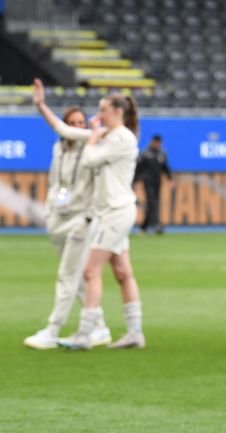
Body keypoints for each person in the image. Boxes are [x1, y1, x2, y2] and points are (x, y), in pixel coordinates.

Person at [23, 79, 112, 350]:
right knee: (76, 276)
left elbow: (60, 128)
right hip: (58, 218)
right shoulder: (58, 149)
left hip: (80, 220)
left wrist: (41, 106)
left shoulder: (92, 146)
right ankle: (99, 326)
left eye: (82, 123)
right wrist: (50, 210)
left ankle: (53, 329)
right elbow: (53, 182)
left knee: (66, 275)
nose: (77, 127)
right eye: (73, 122)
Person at [58, 92, 145, 350]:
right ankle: (135, 332)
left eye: (103, 109)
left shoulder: (121, 138)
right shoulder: (113, 136)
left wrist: (94, 136)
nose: (98, 115)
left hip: (115, 213)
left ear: (118, 111)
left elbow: (88, 160)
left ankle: (85, 334)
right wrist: (42, 107)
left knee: (90, 270)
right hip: (113, 211)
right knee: (122, 273)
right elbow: (69, 133)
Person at [134, 134, 173, 234]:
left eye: (159, 143)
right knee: (152, 202)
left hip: (157, 182)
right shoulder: (145, 153)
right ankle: (157, 225)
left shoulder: (162, 154)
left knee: (154, 203)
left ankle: (144, 226)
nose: (158, 144)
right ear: (152, 142)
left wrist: (170, 179)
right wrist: (136, 180)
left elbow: (165, 168)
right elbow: (139, 168)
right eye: (156, 142)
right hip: (147, 181)